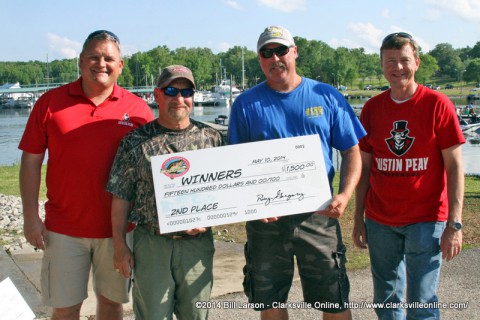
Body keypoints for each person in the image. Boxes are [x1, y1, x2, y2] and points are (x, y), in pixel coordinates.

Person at [227, 25, 366, 320]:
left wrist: (344, 194)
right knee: (271, 302)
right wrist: (250, 201)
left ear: (294, 52)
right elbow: (234, 164)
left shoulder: (326, 96)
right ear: (259, 58)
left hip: (319, 215)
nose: (275, 58)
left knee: (334, 300)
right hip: (266, 221)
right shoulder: (245, 104)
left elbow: (351, 152)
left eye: (281, 50)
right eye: (267, 52)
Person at [18, 30, 154, 319]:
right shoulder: (50, 103)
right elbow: (31, 161)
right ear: (80, 61)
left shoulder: (139, 110)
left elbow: (154, 168)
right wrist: (30, 216)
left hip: (118, 232)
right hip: (64, 229)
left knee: (111, 305)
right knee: (65, 309)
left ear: (121, 65)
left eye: (109, 58)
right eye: (94, 56)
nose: (101, 64)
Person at [353, 32, 465, 319]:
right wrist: (358, 219)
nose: (398, 67)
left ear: (416, 62)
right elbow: (364, 170)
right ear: (381, 65)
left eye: (404, 60)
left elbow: (454, 168)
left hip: (426, 220)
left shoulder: (438, 105)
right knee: (386, 300)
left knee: (422, 301)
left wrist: (455, 224)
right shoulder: (372, 109)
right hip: (380, 220)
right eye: (390, 61)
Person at [106, 65, 224, 320]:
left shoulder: (212, 138)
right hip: (151, 243)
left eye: (186, 91)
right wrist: (119, 245)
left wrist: (208, 219)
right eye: (171, 90)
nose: (179, 98)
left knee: (196, 315)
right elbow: (121, 196)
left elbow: (224, 193)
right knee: (152, 316)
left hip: (197, 247)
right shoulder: (135, 141)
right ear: (157, 95)